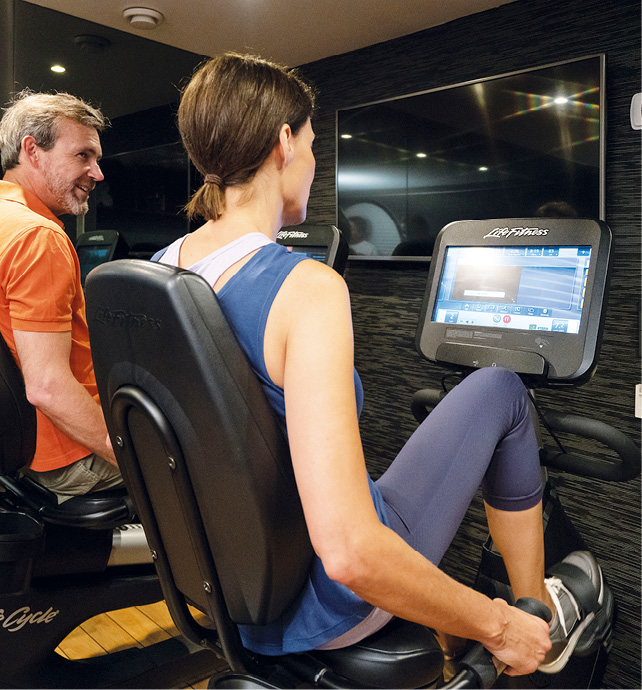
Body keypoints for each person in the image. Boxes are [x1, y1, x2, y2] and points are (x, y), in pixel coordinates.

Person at [155, 53, 607, 676]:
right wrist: (499, 627)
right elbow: (348, 554)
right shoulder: (304, 289)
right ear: (284, 143)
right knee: (501, 388)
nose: (314, 167)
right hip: (320, 601)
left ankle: (481, 629)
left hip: (220, 588)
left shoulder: (160, 271)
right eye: (313, 145)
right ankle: (538, 632)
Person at [0, 90, 122, 502]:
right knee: (221, 461)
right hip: (63, 461)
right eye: (82, 155)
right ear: (32, 151)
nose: (97, 172)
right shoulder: (39, 237)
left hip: (15, 445)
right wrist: (130, 456)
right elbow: (47, 387)